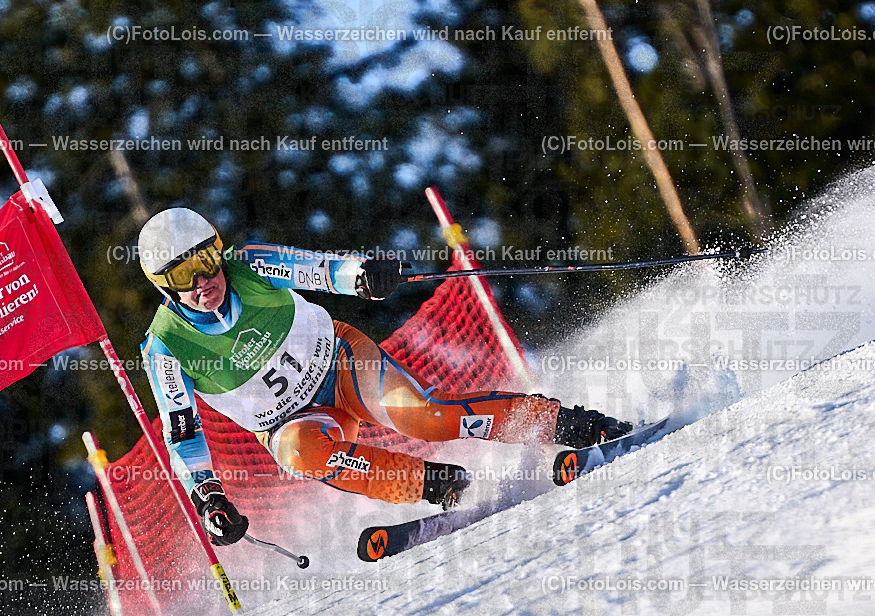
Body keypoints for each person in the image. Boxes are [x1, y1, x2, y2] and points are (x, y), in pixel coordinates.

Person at [138, 208, 631, 546]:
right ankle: (441, 485)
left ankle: (571, 426)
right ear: (165, 287)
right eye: (184, 276)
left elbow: (320, 270)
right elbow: (183, 432)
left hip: (340, 363)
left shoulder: (250, 265)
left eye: (206, 260)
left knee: (423, 417)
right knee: (298, 455)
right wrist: (207, 496)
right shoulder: (167, 347)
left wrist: (364, 276)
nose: (204, 281)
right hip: (294, 423)